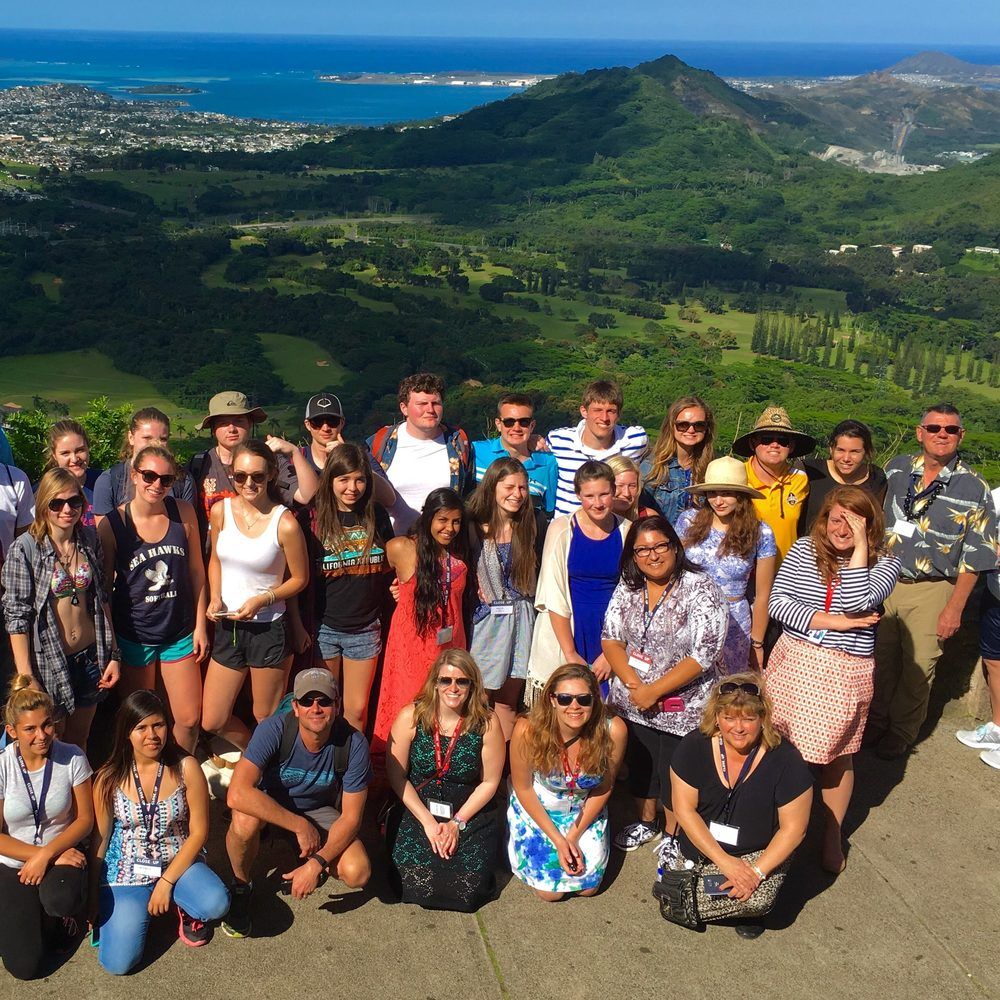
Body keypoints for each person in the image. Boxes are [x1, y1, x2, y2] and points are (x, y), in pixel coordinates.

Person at [767, 486, 900, 872]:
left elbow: (859, 600)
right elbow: (778, 603)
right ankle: (779, 827)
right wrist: (836, 622)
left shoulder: (885, 563)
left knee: (837, 755)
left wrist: (860, 548)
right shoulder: (804, 549)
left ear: (870, 525)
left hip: (845, 668)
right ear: (824, 519)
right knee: (778, 746)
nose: (842, 528)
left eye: (855, 522)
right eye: (836, 518)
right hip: (795, 661)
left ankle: (831, 833)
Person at [871, 404, 998, 760]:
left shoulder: (974, 488)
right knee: (878, 658)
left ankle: (900, 733)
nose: (942, 434)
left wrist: (954, 608)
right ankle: (874, 722)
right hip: (884, 579)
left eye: (950, 430)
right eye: (934, 428)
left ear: (961, 436)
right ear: (919, 432)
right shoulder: (896, 469)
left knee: (919, 666)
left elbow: (976, 556)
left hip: (933, 586)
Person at [602, 514, 729, 851]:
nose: (652, 555)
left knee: (677, 772)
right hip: (635, 699)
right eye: (642, 550)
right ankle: (646, 821)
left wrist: (653, 691)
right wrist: (634, 687)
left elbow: (705, 653)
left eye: (660, 546)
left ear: (674, 547)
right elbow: (611, 639)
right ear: (632, 555)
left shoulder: (701, 589)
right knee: (643, 766)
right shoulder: (629, 586)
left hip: (683, 705)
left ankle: (674, 835)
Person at [222, 669, 372, 939]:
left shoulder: (354, 744)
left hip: (318, 809)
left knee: (357, 872)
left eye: (324, 701)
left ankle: (307, 857)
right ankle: (241, 885)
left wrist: (316, 864)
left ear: (337, 706)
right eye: (307, 701)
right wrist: (300, 826)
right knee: (244, 820)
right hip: (273, 802)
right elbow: (237, 793)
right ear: (295, 706)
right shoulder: (274, 729)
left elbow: (352, 818)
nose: (315, 708)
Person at [91, 691, 230, 974]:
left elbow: (200, 832)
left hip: (178, 862)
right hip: (127, 870)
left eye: (158, 725)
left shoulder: (186, 767)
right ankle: (132, 909)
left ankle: (183, 905)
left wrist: (166, 882)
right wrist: (91, 894)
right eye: (141, 727)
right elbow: (102, 838)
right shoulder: (108, 777)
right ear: (126, 733)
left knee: (216, 903)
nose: (151, 735)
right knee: (118, 964)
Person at [668, 675, 813, 938]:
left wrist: (756, 873)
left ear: (763, 718)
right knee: (677, 892)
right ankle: (728, 904)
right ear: (716, 717)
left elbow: (794, 830)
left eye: (748, 719)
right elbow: (684, 811)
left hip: (756, 855)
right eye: (729, 718)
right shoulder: (693, 747)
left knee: (756, 898)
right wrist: (725, 863)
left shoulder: (787, 760)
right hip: (703, 848)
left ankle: (747, 907)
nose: (738, 728)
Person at [98, 446, 208, 753]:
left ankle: (182, 776)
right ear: (134, 475)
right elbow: (105, 589)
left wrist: (200, 625)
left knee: (188, 718)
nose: (156, 485)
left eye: (166, 479)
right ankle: (145, 779)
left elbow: (197, 572)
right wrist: (112, 646)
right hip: (135, 634)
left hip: (179, 631)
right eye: (149, 476)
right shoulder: (112, 524)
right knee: (140, 721)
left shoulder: (182, 513)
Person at [202, 441, 309, 751]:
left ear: (272, 475)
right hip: (229, 625)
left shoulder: (285, 523)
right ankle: (256, 756)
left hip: (269, 627)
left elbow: (300, 579)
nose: (248, 484)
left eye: (258, 477)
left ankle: (265, 770)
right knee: (213, 719)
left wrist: (263, 599)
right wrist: (214, 597)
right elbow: (215, 561)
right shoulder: (220, 511)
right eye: (240, 476)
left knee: (265, 715)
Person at [2, 469, 119, 750]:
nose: (67, 509)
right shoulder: (25, 549)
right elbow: (16, 617)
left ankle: (79, 792)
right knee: (51, 742)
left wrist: (114, 653)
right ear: (43, 505)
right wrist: (26, 675)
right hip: (49, 663)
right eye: (57, 503)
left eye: (74, 501)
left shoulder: (89, 540)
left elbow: (102, 599)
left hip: (90, 657)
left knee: (80, 740)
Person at [386, 649, 504, 911]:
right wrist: (428, 822)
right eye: (446, 680)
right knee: (412, 881)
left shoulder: (487, 722)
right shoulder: (411, 716)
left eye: (462, 681)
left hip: (468, 811)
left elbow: (489, 782)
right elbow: (396, 775)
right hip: (419, 806)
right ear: (435, 683)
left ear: (472, 685)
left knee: (467, 889)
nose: (453, 687)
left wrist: (456, 824)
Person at [0, 676, 94, 980]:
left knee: (59, 900)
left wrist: (49, 855)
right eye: (30, 729)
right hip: (17, 859)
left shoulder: (73, 757)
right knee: (24, 967)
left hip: (63, 852)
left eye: (47, 725)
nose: (42, 735)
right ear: (12, 731)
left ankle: (67, 918)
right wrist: (39, 855)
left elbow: (84, 820)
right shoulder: (2, 766)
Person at [507, 664, 627, 901]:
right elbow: (523, 787)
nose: (574, 706)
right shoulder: (527, 729)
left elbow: (605, 786)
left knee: (588, 887)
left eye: (583, 699)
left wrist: (572, 836)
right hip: (539, 808)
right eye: (565, 698)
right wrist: (558, 841)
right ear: (552, 699)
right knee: (551, 893)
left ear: (595, 700)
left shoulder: (613, 730)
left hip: (584, 810)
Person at [371, 488, 468, 753]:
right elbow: (372, 574)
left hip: (448, 648)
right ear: (428, 518)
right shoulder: (402, 548)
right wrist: (395, 589)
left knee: (442, 712)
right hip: (410, 648)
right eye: (443, 520)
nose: (450, 528)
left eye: (456, 521)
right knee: (406, 709)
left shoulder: (459, 559)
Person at [525, 461, 630, 704]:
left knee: (606, 710)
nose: (598, 502)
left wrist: (612, 653)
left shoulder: (627, 530)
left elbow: (632, 597)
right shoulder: (562, 528)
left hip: (610, 631)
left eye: (604, 494)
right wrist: (569, 652)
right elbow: (553, 593)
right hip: (568, 627)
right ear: (578, 495)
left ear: (614, 492)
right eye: (589, 496)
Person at [312, 443, 394, 733]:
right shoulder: (314, 519)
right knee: (323, 705)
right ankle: (326, 768)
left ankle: (353, 772)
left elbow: (391, 563)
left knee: (357, 710)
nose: (352, 487)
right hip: (325, 627)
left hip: (366, 627)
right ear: (329, 480)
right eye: (343, 479)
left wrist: (397, 586)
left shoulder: (376, 515)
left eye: (360, 479)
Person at [466, 457, 544, 738]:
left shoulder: (533, 523)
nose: (517, 494)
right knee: (476, 698)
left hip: (522, 620)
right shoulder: (471, 525)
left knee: (508, 702)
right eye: (509, 486)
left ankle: (507, 771)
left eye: (522, 488)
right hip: (485, 622)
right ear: (493, 486)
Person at [677, 456, 777, 674]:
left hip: (734, 622)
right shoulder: (688, 521)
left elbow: (763, 595)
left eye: (726, 493)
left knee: (728, 690)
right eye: (712, 493)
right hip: (688, 615)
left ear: (741, 496)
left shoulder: (761, 532)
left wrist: (757, 643)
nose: (718, 500)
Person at [187, 390, 318, 549]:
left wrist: (295, 452)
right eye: (223, 423)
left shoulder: (270, 460)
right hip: (212, 561)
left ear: (250, 424)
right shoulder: (200, 465)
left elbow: (307, 495)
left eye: (239, 421)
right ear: (213, 428)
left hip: (262, 559)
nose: (232, 429)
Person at [367, 373, 472, 535]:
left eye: (436, 403)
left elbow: (469, 495)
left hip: (444, 548)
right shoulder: (381, 443)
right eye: (422, 404)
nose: (430, 410)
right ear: (404, 408)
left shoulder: (459, 443)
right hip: (391, 547)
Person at [547, 379, 648, 517]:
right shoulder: (558, 441)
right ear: (584, 411)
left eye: (611, 411)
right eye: (597, 410)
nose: (604, 418)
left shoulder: (634, 440)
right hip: (566, 532)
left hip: (612, 531)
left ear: (619, 414)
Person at [731, 405, 815, 562]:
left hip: (787, 574)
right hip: (745, 570)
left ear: (791, 447)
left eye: (783, 441)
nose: (774, 445)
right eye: (767, 439)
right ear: (753, 444)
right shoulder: (738, 476)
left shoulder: (799, 480)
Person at [956, 483, 1000, 767]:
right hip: (996, 592)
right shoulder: (995, 496)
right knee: (994, 662)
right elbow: (978, 534)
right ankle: (997, 728)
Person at [92, 407, 196, 526]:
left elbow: (188, 529)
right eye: (147, 438)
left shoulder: (182, 480)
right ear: (131, 437)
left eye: (162, 439)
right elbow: (105, 536)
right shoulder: (109, 481)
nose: (155, 444)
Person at [299, 392, 396, 508]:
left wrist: (348, 457)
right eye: (317, 422)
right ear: (307, 424)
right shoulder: (298, 458)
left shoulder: (361, 456)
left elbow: (389, 499)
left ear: (342, 423)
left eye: (332, 421)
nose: (325, 428)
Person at [471, 393, 559, 516]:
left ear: (532, 426)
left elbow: (549, 510)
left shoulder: (547, 463)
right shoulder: (476, 451)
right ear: (498, 424)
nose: (516, 428)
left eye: (524, 422)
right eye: (509, 422)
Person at [641, 396, 715, 525]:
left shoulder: (711, 468)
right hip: (664, 541)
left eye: (699, 425)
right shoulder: (653, 466)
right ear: (671, 426)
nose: (691, 430)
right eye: (683, 425)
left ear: (706, 428)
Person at [802, 420, 887, 529]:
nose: (846, 458)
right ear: (831, 449)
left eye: (854, 452)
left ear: (866, 452)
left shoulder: (876, 477)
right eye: (841, 450)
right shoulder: (811, 472)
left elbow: (876, 522)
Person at [39, 420, 101, 532]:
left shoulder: (105, 482)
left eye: (80, 450)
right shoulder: (42, 491)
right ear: (54, 455)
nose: (74, 459)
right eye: (65, 453)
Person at [606, 454, 656, 521]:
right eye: (620, 485)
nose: (627, 493)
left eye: (632, 486)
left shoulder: (648, 518)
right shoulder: (592, 522)